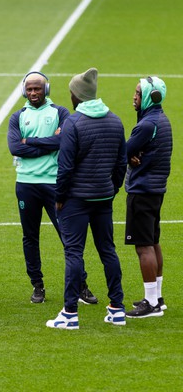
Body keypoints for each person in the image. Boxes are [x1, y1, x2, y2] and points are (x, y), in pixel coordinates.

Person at [46, 68, 127, 330]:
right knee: (107, 251)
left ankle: (70, 313)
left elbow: (65, 167)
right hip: (103, 197)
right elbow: (121, 163)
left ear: (76, 95)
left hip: (76, 200)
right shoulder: (115, 120)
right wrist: (111, 189)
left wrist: (59, 197)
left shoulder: (73, 123)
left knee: (73, 253)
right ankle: (117, 308)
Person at [7, 71, 97, 304]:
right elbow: (15, 148)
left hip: (53, 184)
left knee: (67, 236)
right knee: (30, 237)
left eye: (38, 88)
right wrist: (46, 145)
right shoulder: (17, 116)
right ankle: (37, 285)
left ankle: (81, 285)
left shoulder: (60, 112)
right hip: (26, 184)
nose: (34, 93)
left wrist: (31, 142)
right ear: (24, 91)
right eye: (30, 89)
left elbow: (63, 140)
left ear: (46, 89)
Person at [124, 76, 172, 319]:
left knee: (143, 246)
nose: (134, 97)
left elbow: (123, 150)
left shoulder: (146, 125)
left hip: (142, 191)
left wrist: (128, 156)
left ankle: (150, 303)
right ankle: (158, 298)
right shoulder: (161, 120)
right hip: (155, 190)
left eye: (138, 93)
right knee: (153, 242)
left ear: (151, 96)